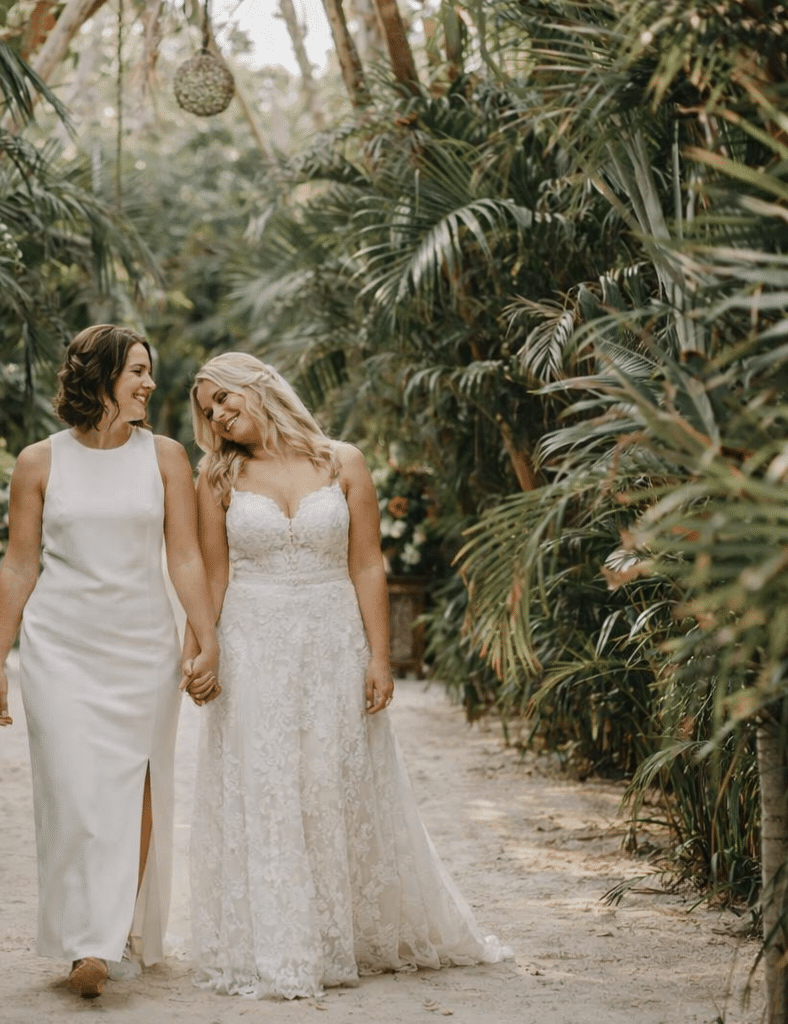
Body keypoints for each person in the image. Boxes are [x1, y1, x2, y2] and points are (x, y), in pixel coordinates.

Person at [183, 352, 508, 1000]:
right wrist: (201, 649)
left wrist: (380, 657)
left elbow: (367, 566)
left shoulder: (343, 461)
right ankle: (283, 945)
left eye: (223, 397)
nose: (218, 414)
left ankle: (340, 935)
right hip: (255, 641)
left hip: (334, 641)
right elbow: (212, 574)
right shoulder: (217, 477)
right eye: (207, 408)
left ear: (259, 387)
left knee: (330, 778)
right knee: (270, 783)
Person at [0, 325, 220, 1000]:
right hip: (59, 648)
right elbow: (20, 563)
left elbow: (186, 557)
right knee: (72, 785)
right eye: (138, 371)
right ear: (101, 375)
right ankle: (87, 935)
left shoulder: (167, 458)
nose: (149, 383)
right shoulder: (38, 462)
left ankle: (106, 940)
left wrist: (206, 637)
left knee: (133, 786)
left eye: (150, 371)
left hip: (142, 646)